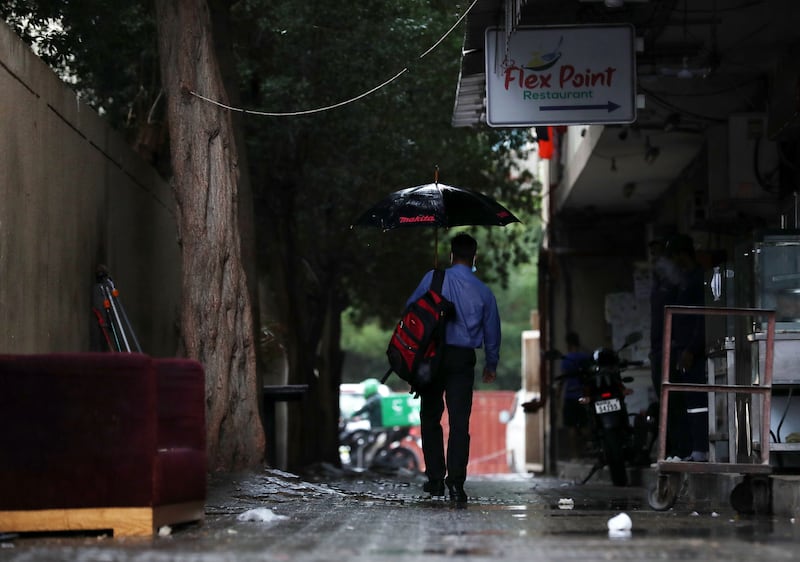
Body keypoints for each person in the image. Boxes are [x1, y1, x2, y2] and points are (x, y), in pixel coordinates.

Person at [405, 233, 500, 506]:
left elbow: (410, 313)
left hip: (431, 356)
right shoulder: (483, 291)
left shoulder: (433, 279)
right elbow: (492, 332)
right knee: (460, 423)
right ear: (474, 258)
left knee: (430, 417)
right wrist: (490, 365)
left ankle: (435, 479)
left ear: (450, 255)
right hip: (462, 360)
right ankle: (456, 485)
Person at [664, 233, 708, 462]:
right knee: (686, 403)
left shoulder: (697, 280)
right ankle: (691, 449)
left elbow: (702, 319)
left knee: (697, 403)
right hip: (683, 350)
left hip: (694, 352)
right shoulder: (684, 281)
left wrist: (692, 348)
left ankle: (701, 448)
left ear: (681, 255)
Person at [560, 332, 592, 459]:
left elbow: (562, 379)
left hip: (570, 396)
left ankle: (575, 455)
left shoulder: (566, 359)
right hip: (583, 395)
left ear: (568, 343)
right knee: (585, 425)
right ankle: (588, 451)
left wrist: (558, 398)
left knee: (571, 427)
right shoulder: (585, 357)